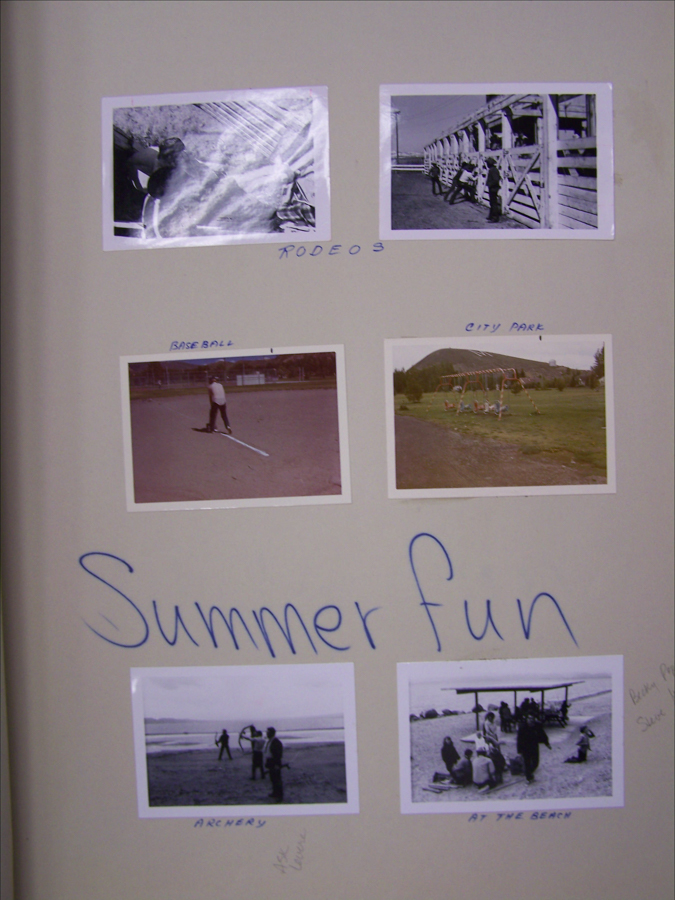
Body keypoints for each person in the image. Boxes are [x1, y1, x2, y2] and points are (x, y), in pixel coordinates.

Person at [517, 715, 551, 783]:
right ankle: (528, 777)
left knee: (536, 763)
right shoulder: (522, 727)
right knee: (527, 763)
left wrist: (547, 744)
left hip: (534, 746)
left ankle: (529, 773)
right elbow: (519, 739)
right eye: (529, 718)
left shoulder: (537, 726)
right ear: (527, 719)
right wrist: (519, 750)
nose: (531, 720)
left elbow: (543, 734)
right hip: (525, 747)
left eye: (532, 718)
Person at [266, 726, 284, 802]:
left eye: (268, 732)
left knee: (277, 779)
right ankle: (275, 793)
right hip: (270, 761)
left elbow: (278, 754)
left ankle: (280, 796)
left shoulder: (276, 742)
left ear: (272, 733)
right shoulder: (270, 741)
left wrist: (276, 764)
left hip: (274, 762)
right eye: (267, 732)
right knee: (273, 778)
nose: (267, 734)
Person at [486, 157, 501, 222]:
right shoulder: (493, 169)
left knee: (493, 203)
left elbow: (496, 180)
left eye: (487, 163)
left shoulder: (493, 170)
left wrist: (490, 184)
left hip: (493, 188)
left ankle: (495, 218)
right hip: (492, 188)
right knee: (492, 202)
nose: (487, 164)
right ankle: (491, 216)